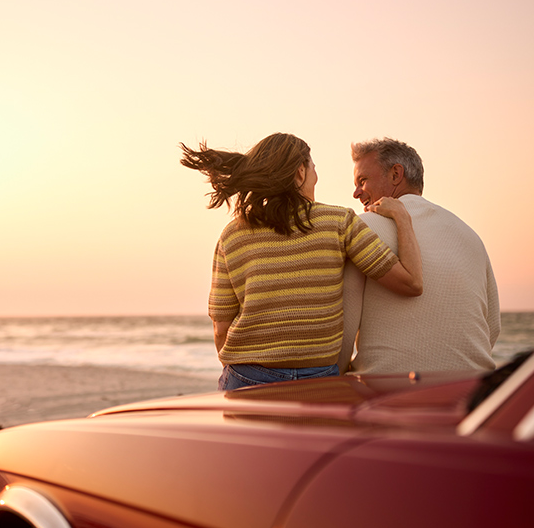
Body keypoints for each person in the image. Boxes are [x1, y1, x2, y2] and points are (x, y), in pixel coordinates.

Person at [180, 133, 423, 390]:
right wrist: (402, 218)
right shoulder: (339, 222)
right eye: (313, 169)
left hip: (246, 377)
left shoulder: (231, 236)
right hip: (318, 378)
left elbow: (221, 327)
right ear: (299, 173)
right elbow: (412, 283)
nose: (316, 177)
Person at [339, 137, 500, 375]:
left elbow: (345, 327)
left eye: (363, 180)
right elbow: (493, 328)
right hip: (472, 392)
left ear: (396, 175)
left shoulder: (363, 229)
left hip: (385, 393)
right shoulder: (470, 235)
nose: (355, 193)